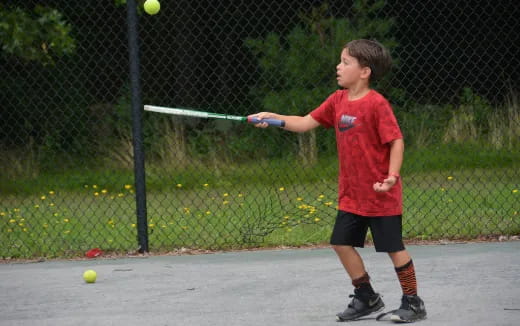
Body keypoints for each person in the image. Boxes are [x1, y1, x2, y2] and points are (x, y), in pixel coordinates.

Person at [249, 39, 427, 323]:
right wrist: (273, 118)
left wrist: (392, 177)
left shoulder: (376, 104)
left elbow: (396, 141)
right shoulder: (337, 100)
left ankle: (413, 302)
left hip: (382, 195)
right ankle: (367, 297)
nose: (338, 66)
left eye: (345, 62)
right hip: (352, 194)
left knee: (394, 248)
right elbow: (305, 122)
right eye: (340, 61)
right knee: (341, 243)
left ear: (364, 71)